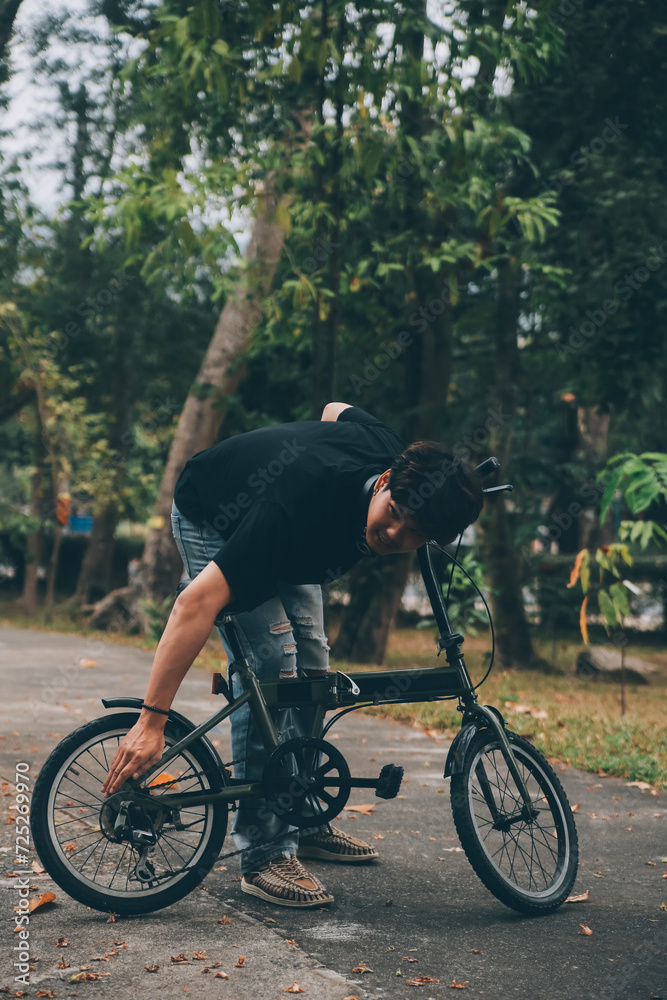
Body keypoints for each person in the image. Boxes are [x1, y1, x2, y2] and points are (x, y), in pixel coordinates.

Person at [101, 402, 484, 907]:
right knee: (273, 668)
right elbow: (194, 604)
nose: (395, 536)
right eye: (394, 515)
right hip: (216, 515)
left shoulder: (397, 456)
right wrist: (151, 721)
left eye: (416, 533)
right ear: (385, 480)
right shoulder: (296, 501)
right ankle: (263, 854)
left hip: (296, 540)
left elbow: (335, 410)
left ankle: (298, 810)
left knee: (314, 671)